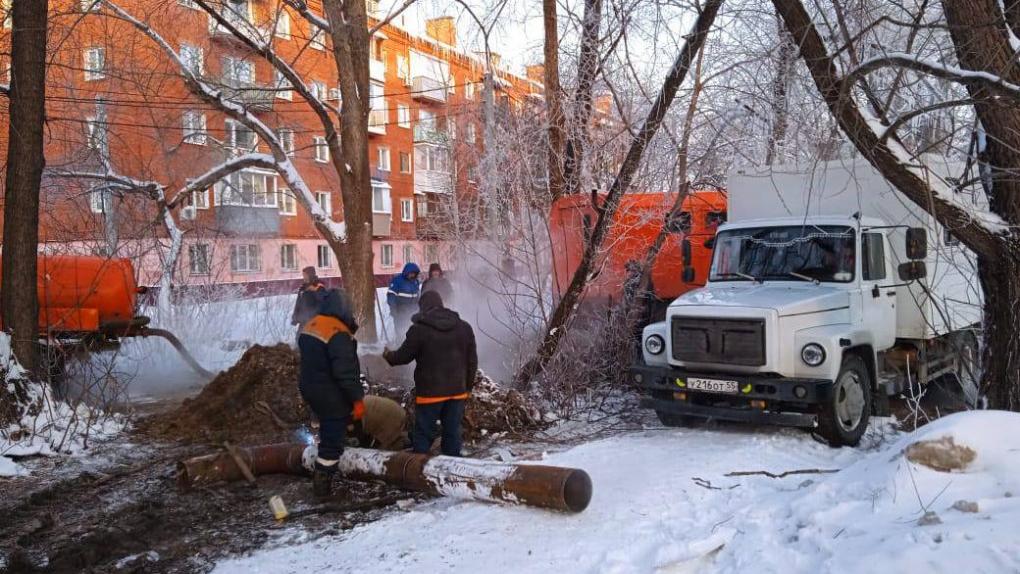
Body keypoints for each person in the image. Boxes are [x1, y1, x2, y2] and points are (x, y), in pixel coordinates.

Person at [382, 291, 477, 456]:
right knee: (452, 433)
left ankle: (418, 472)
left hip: (430, 393)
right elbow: (472, 362)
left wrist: (387, 355)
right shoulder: (464, 327)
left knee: (423, 433)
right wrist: (467, 387)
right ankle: (452, 471)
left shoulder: (419, 330)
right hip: (457, 392)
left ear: (423, 307)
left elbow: (402, 357)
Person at [298, 288, 364, 497]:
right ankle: (322, 483)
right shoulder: (338, 333)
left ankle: (334, 449)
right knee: (333, 435)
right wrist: (357, 399)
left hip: (309, 386)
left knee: (329, 424)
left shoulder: (312, 324)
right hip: (329, 391)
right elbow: (345, 372)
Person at [387, 262, 421, 338]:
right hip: (400, 312)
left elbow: (417, 297)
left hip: (413, 312)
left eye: (414, 274)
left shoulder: (415, 282)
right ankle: (400, 346)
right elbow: (391, 296)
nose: (412, 275)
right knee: (401, 332)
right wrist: (393, 309)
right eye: (411, 273)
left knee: (413, 332)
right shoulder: (397, 281)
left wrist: (419, 309)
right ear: (406, 272)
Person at [291, 267, 327, 334]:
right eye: (303, 275)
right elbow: (298, 303)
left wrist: (315, 290)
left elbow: (323, 300)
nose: (303, 277)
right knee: (299, 338)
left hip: (315, 320)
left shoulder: (319, 286)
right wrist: (295, 317)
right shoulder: (303, 287)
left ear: (310, 275)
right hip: (304, 319)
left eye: (305, 275)